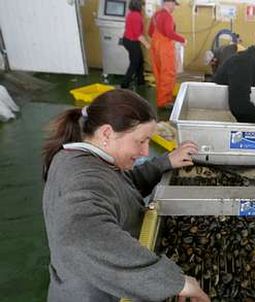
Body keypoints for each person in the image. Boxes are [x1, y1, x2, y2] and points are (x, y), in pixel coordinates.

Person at [42, 89, 210, 302]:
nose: (146, 151)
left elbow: (120, 189)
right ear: (106, 134)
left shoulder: (84, 159)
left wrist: (164, 163)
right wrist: (175, 282)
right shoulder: (82, 177)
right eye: (141, 141)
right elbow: (78, 235)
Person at [148, 0, 185, 108]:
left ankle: (161, 99)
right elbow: (169, 33)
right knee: (168, 74)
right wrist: (182, 39)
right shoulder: (167, 16)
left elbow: (150, 32)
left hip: (155, 47)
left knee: (159, 74)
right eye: (174, 4)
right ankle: (165, 101)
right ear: (168, 3)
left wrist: (158, 41)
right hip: (165, 48)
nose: (174, 7)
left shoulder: (156, 15)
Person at [121, 0, 150, 89]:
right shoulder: (136, 16)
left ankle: (140, 81)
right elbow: (138, 34)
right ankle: (124, 84)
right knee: (135, 63)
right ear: (139, 5)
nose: (143, 7)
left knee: (140, 60)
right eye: (142, 5)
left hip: (129, 40)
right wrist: (147, 44)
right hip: (131, 41)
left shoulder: (132, 13)